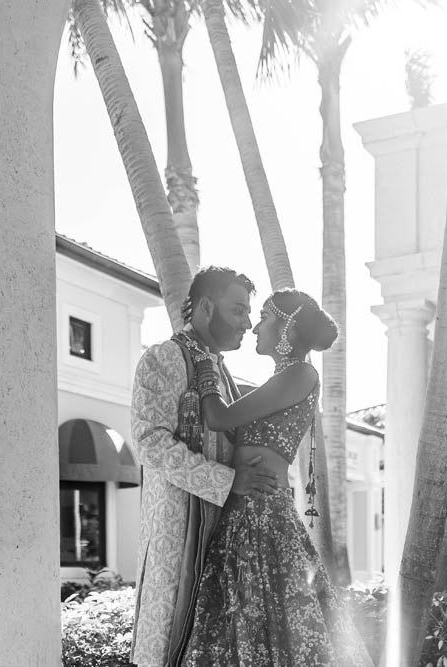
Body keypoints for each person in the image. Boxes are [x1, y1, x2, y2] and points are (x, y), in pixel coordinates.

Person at [179, 289, 372, 666]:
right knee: (240, 627)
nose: (254, 327)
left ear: (286, 327)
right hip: (243, 509)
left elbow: (219, 417)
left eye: (264, 317)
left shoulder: (301, 373)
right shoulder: (279, 380)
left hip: (262, 515)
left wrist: (205, 366)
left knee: (272, 628)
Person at [129, 267, 280, 667]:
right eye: (238, 311)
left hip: (222, 536)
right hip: (179, 536)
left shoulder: (221, 372)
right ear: (206, 307)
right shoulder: (164, 357)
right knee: (170, 646)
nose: (248, 324)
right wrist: (229, 482)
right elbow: (151, 442)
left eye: (249, 314)